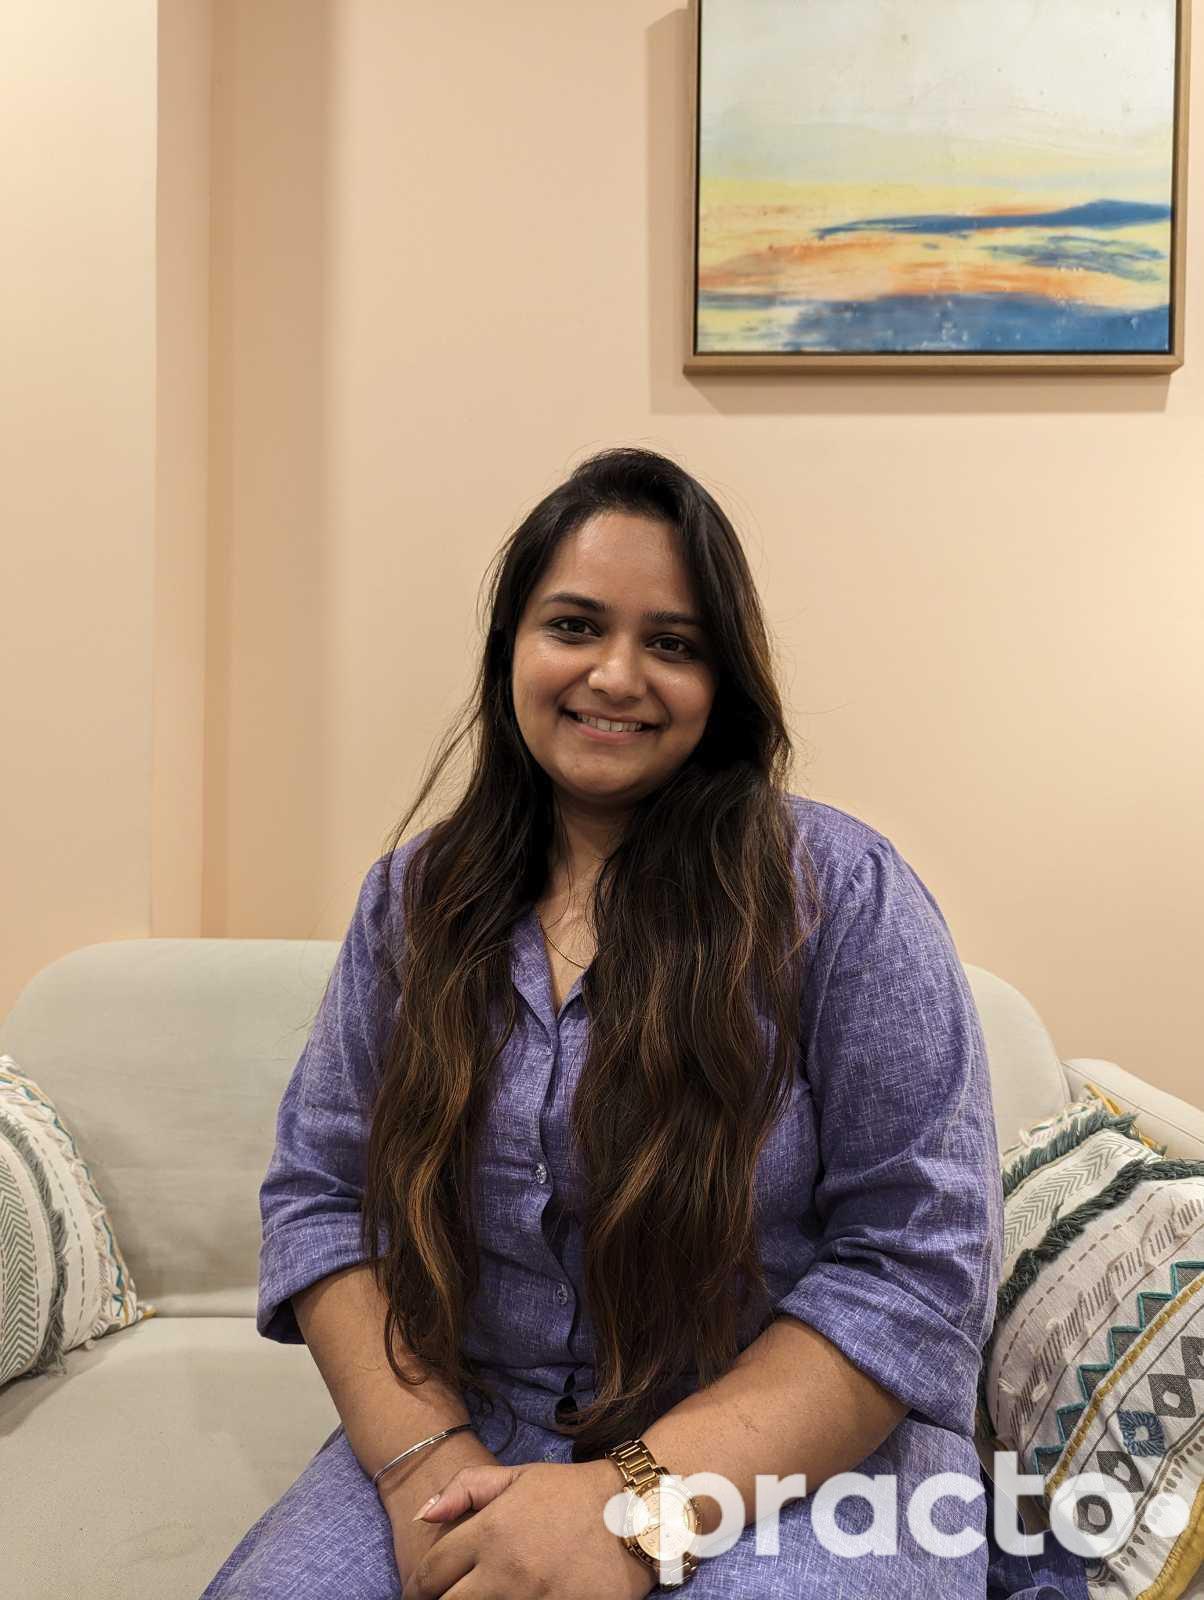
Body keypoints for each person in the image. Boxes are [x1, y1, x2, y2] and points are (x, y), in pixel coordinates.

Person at [200, 446, 1084, 1598]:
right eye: (574, 625)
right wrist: (429, 1463)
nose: (615, 675)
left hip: (798, 1455)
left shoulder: (847, 896)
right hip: (475, 1429)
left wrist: (632, 1505)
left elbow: (913, 1267)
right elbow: (324, 1200)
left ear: (724, 683)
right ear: (511, 647)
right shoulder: (411, 902)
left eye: (671, 643)